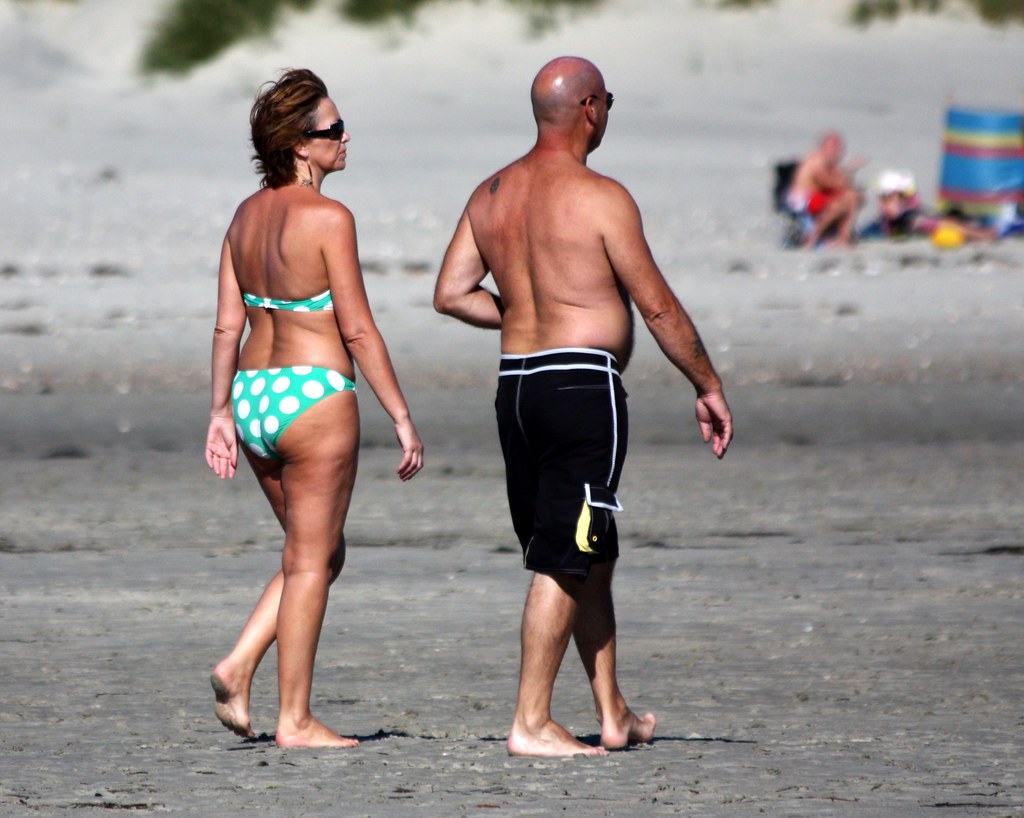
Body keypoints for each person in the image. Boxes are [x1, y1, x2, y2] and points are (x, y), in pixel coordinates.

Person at [433, 56, 732, 758]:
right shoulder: (601, 196)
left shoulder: (491, 192)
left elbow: (450, 292)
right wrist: (707, 384)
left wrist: (520, 311)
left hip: (516, 389)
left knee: (587, 550)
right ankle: (531, 723)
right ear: (590, 108)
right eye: (610, 103)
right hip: (581, 387)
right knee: (564, 558)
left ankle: (613, 712)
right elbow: (656, 306)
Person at [205, 69, 424, 749]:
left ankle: (240, 664)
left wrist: (219, 414)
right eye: (333, 130)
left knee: (316, 552)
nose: (345, 138)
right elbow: (357, 329)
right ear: (301, 145)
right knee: (310, 560)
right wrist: (400, 414)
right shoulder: (329, 219)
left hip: (254, 399)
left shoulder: (243, 217)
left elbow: (225, 327)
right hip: (314, 398)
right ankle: (294, 719)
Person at [861, 169, 996, 243]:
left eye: (886, 199)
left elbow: (936, 222)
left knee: (943, 221)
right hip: (899, 226)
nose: (880, 204)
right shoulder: (887, 215)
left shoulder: (907, 211)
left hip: (907, 223)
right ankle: (980, 233)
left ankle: (980, 233)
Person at [786, 130, 865, 248]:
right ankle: (813, 238)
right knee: (848, 198)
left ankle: (843, 238)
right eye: (831, 147)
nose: (835, 151)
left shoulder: (830, 163)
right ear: (822, 146)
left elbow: (839, 184)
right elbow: (831, 184)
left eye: (837, 147)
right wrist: (850, 170)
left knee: (853, 196)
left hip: (815, 198)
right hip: (803, 201)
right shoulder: (816, 160)